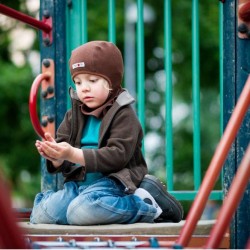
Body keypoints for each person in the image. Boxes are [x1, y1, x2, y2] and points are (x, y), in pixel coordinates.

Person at [30, 41, 183, 225]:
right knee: (42, 215)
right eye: (78, 82)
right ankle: (77, 206)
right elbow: (64, 155)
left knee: (80, 212)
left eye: (92, 81)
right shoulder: (73, 115)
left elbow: (117, 156)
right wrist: (56, 156)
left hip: (112, 184)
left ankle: (144, 204)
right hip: (77, 187)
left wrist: (71, 153)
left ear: (111, 81)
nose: (84, 88)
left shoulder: (123, 114)